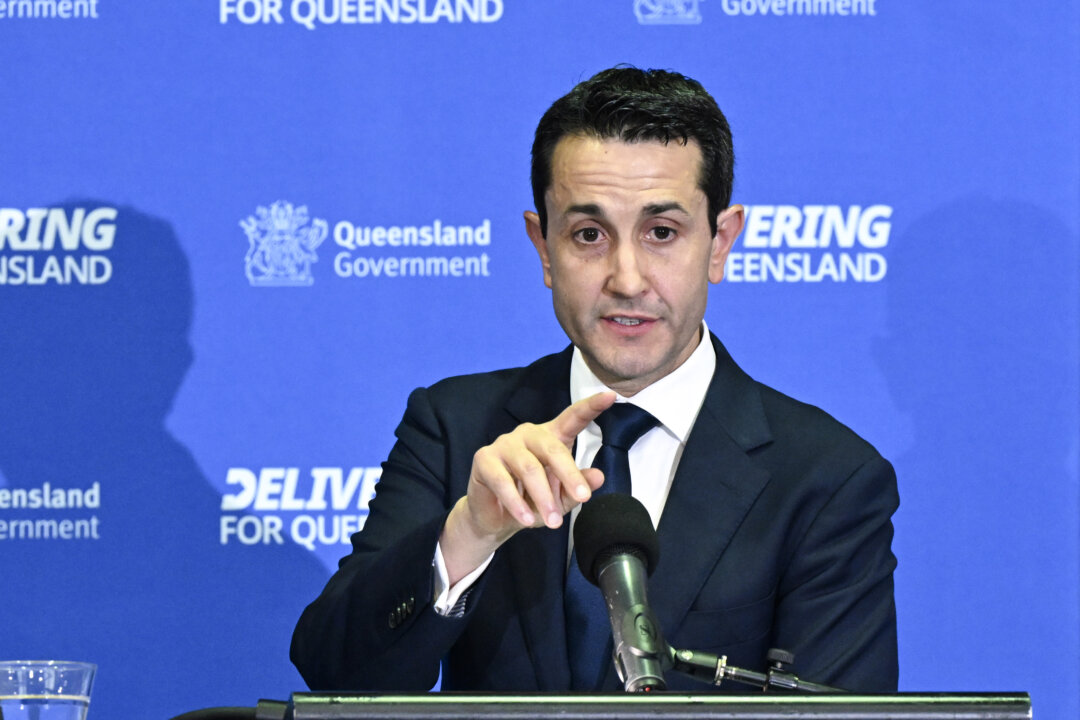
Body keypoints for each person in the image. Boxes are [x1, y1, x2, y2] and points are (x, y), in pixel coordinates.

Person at [291, 66, 899, 693]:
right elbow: (337, 675)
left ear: (720, 242)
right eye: (589, 235)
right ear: (543, 247)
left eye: (661, 233)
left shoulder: (827, 477)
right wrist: (469, 533)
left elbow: (837, 715)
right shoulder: (455, 428)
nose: (627, 279)